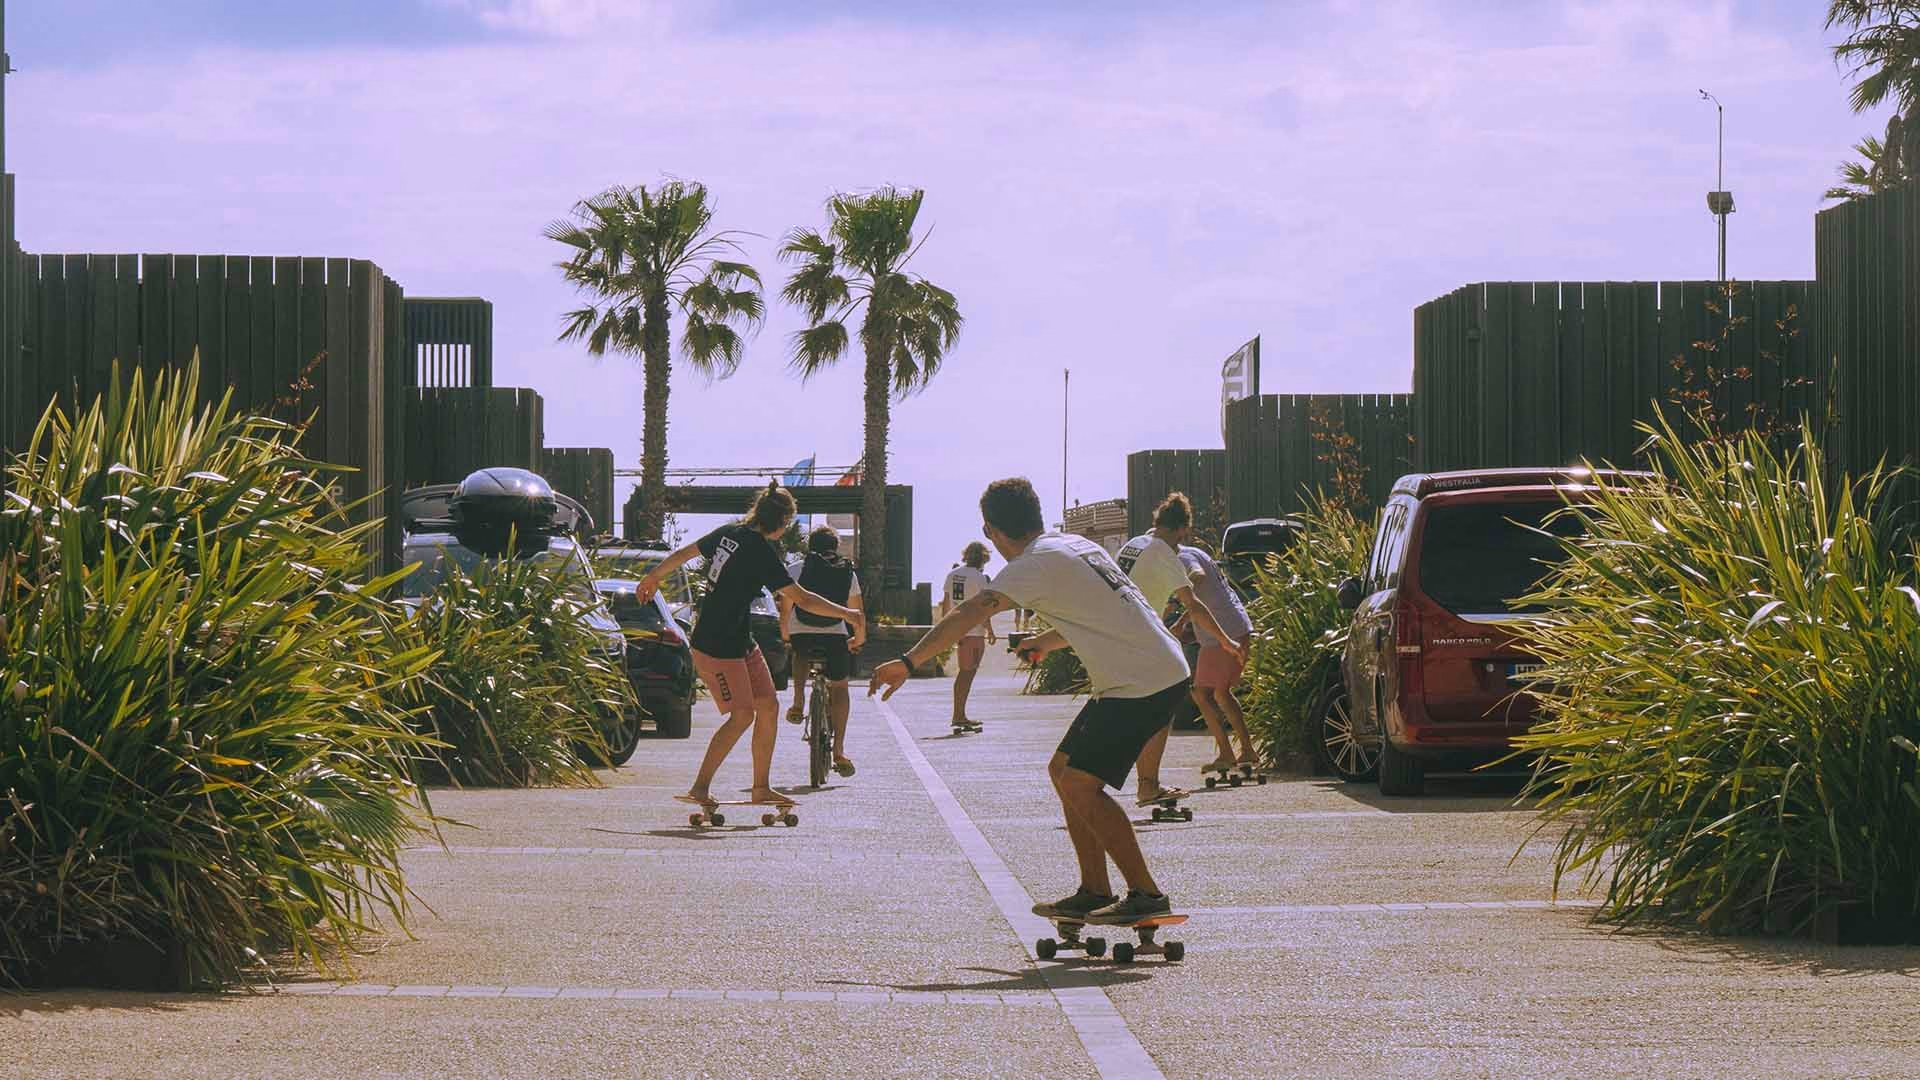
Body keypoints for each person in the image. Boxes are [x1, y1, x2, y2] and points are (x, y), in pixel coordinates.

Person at [870, 477, 1186, 925]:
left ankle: (1147, 895)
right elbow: (1103, 614)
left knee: (1080, 782)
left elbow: (969, 612)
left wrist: (908, 660)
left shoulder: (1029, 565)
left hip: (1140, 681)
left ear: (993, 530)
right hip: (1154, 668)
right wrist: (1046, 641)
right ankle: (1094, 889)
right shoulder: (1074, 546)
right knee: (1063, 771)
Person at [640, 482, 865, 808]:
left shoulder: (729, 533)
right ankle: (700, 788)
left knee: (769, 706)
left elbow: (685, 552)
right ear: (781, 521)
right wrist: (848, 614)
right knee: (743, 715)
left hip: (740, 640)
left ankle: (761, 787)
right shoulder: (758, 550)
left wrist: (653, 577)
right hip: (715, 646)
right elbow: (801, 598)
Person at [1114, 492, 1249, 804]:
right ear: (1181, 530)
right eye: (1182, 538)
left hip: (1118, 639)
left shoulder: (1133, 544)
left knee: (1132, 709)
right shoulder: (1165, 552)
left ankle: (1097, 777)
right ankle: (1148, 784)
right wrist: (1226, 640)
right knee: (1163, 705)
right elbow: (1195, 604)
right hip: (1140, 641)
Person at [778, 525, 866, 776]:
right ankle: (839, 750)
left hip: (801, 631)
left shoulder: (795, 568)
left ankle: (797, 703)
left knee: (800, 653)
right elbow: (857, 613)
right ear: (835, 547)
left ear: (810, 546)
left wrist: (786, 634)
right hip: (834, 634)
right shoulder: (846, 571)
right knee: (840, 687)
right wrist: (858, 639)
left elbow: (785, 609)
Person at [1178, 541, 1258, 772]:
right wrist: (1183, 620)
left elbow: (1196, 576)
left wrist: (1180, 592)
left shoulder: (1182, 558)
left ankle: (1228, 753)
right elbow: (1200, 596)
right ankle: (1247, 750)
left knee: (1203, 694)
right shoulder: (1195, 551)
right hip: (1235, 626)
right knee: (1219, 693)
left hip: (1222, 633)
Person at [940, 541, 997, 728]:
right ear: (983, 558)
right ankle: (958, 715)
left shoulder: (952, 575)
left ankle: (960, 714)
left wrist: (946, 629)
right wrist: (989, 629)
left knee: (964, 672)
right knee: (967, 673)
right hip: (974, 630)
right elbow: (984, 606)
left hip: (958, 629)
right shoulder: (979, 578)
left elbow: (946, 605)